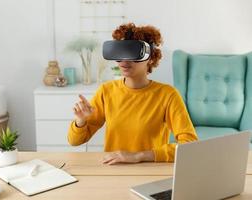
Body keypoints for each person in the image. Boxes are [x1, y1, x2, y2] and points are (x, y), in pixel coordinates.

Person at [67, 23, 198, 165]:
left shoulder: (167, 95)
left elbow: (190, 146)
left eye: (133, 53)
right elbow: (75, 141)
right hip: (114, 169)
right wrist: (80, 121)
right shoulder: (106, 91)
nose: (124, 61)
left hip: (150, 170)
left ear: (151, 58)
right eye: (120, 54)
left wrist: (139, 156)